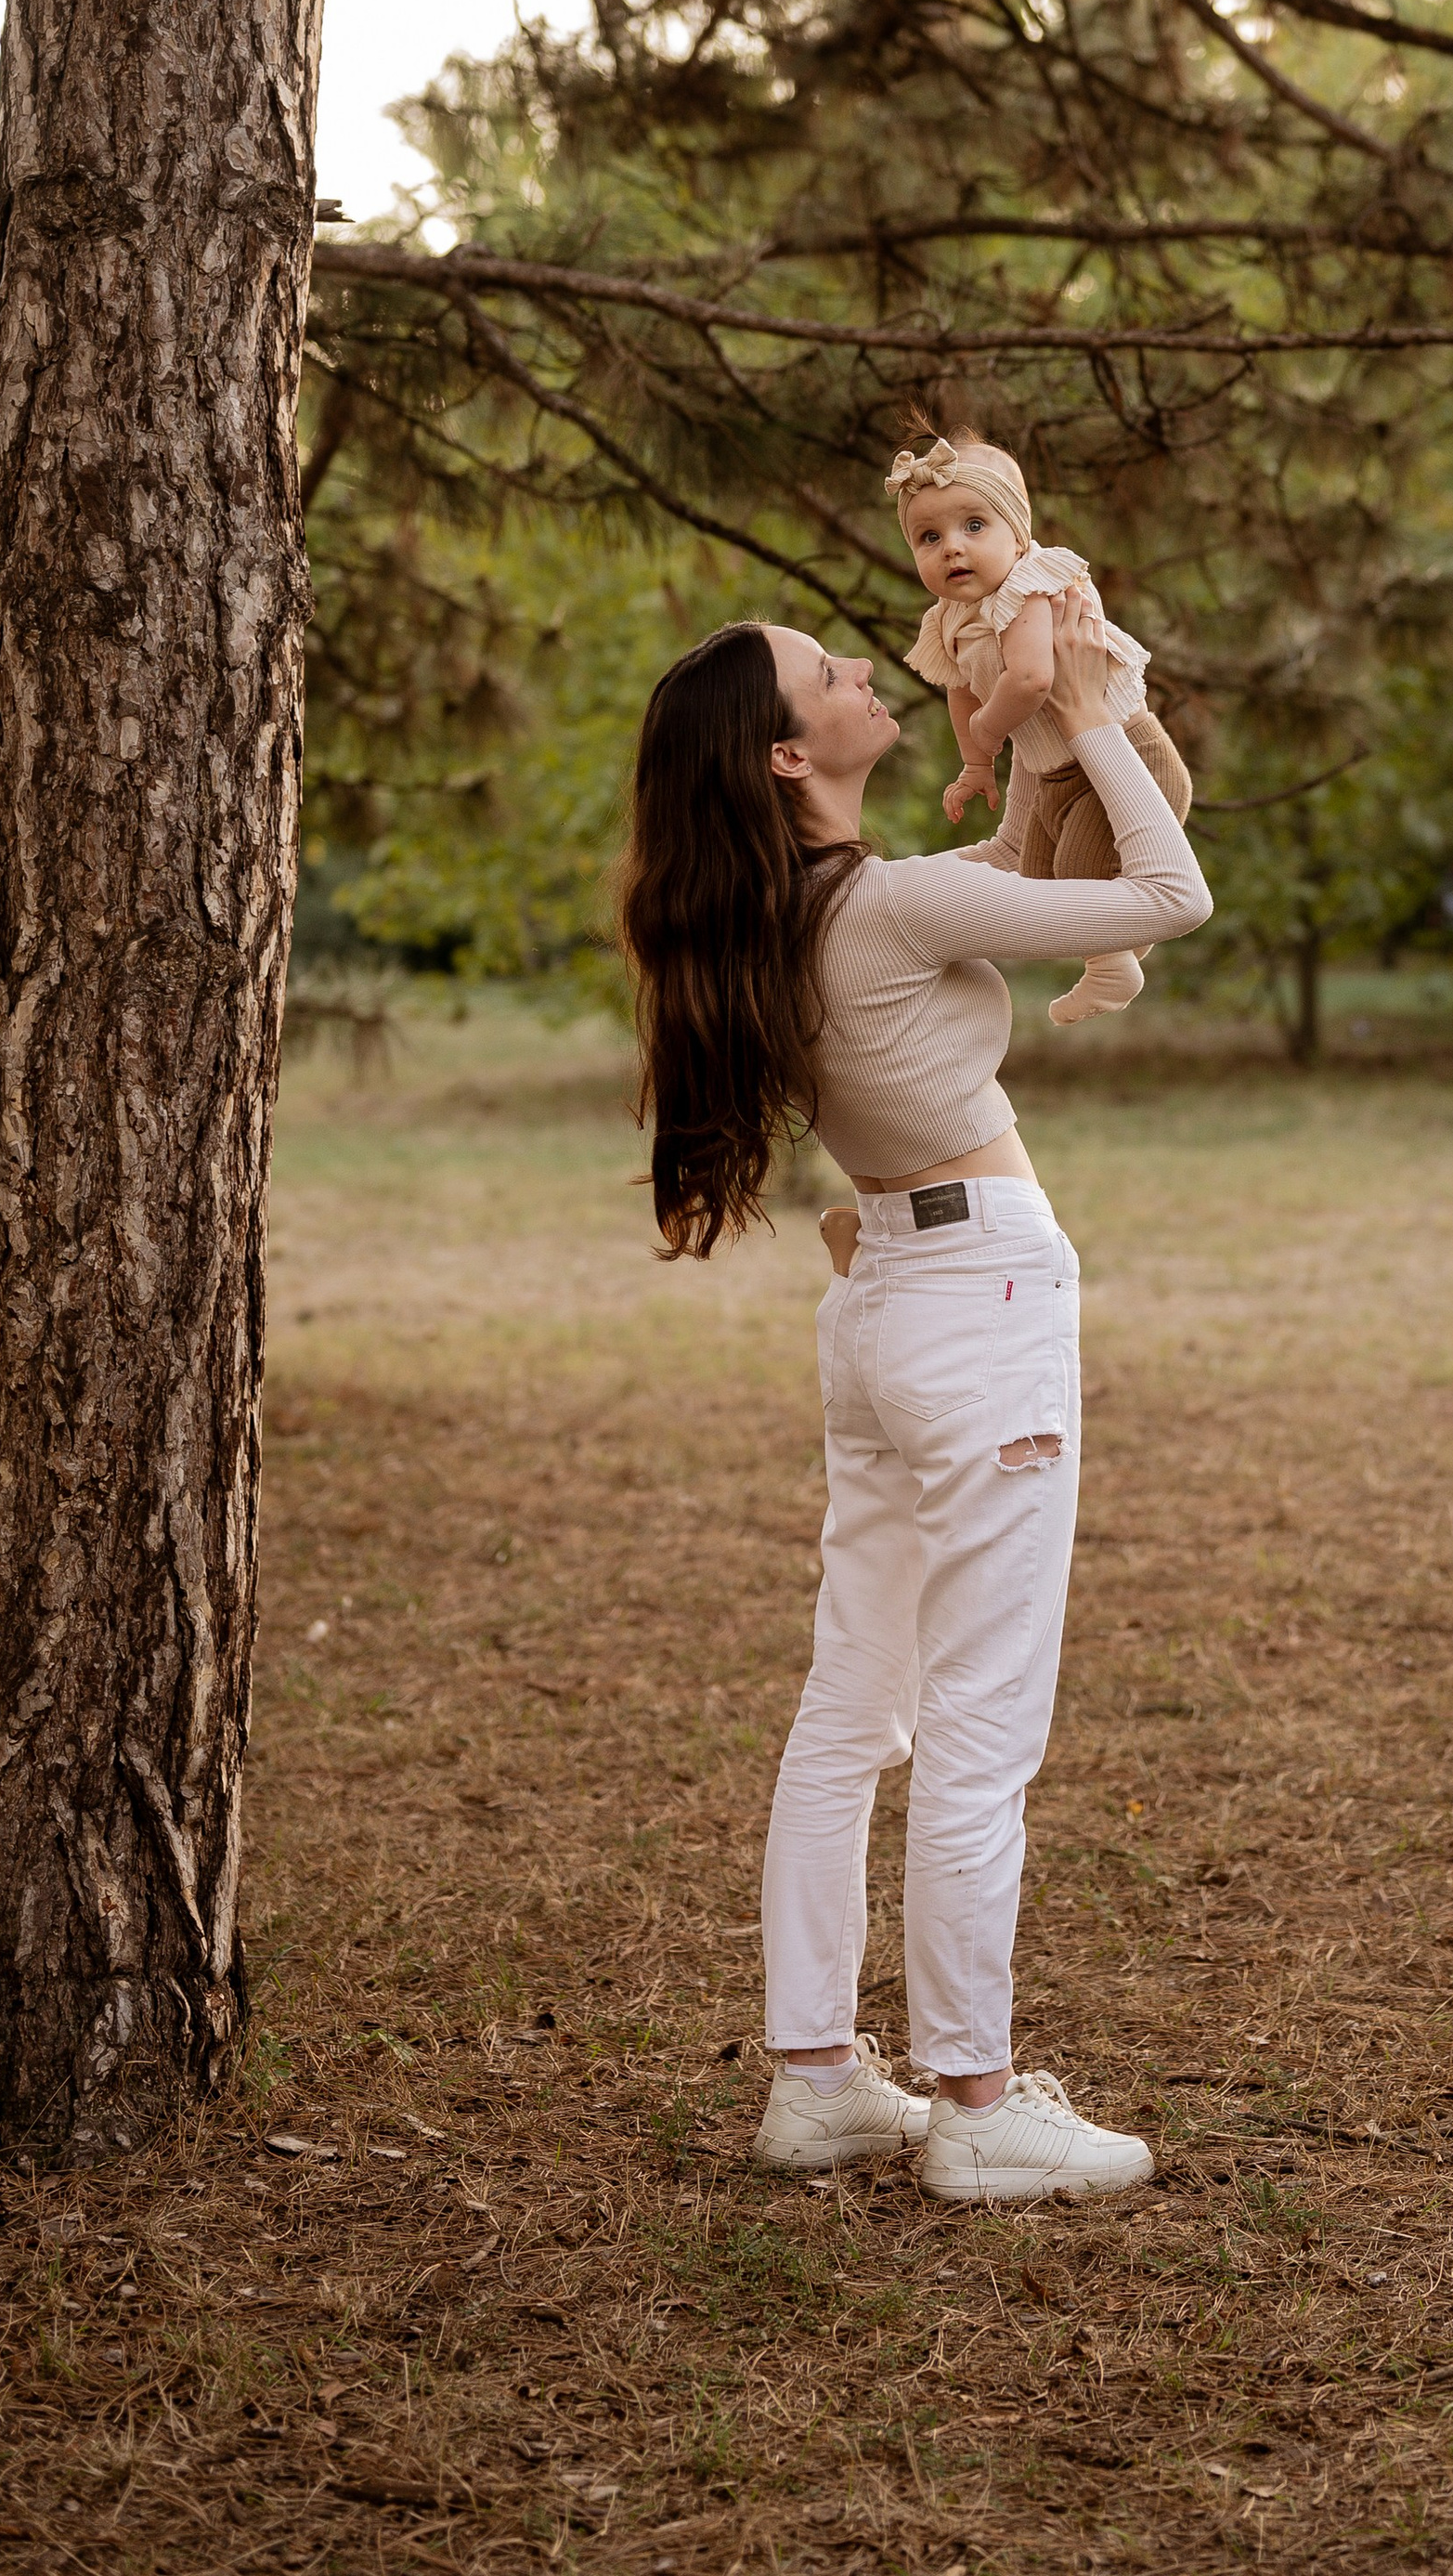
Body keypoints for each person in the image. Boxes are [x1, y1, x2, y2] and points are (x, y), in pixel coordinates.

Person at [619, 592, 1210, 2203]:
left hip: (884, 1295)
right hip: (975, 1299)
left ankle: (819, 2080)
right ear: (791, 751)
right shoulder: (875, 907)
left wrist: (1025, 746)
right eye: (829, 671)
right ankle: (974, 2100)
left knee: (851, 1709)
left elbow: (1002, 886)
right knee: (975, 1726)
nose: (865, 665)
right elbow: (1169, 888)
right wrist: (1086, 702)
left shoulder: (802, 907)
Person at [889, 428, 1194, 1026]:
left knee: (1077, 882)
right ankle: (1120, 952)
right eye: (930, 537)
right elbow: (960, 688)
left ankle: (1113, 967)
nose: (952, 547)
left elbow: (1028, 681)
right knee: (1033, 878)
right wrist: (976, 762)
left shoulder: (1032, 586)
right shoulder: (950, 618)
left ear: (1018, 535)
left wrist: (989, 727)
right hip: (1056, 774)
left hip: (1125, 757)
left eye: (974, 526)